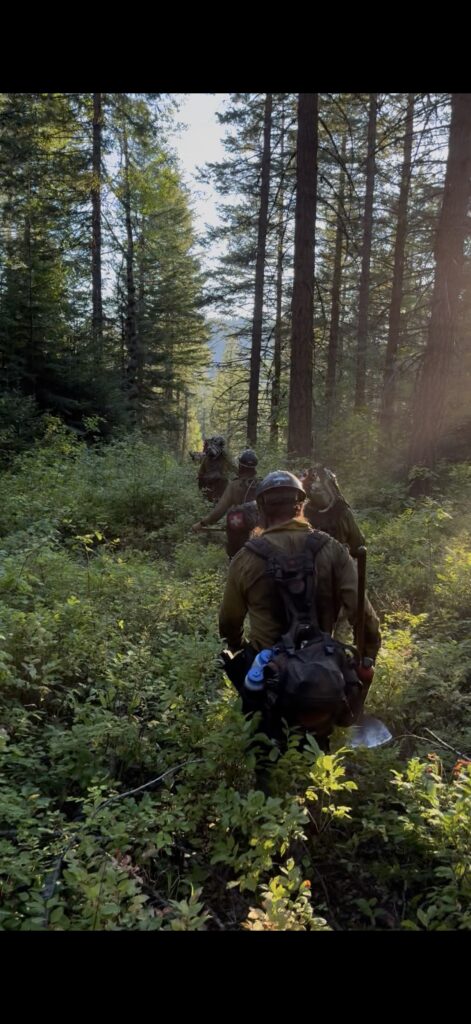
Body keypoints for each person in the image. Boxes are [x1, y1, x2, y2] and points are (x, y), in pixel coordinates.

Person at [218, 470, 380, 756]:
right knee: (318, 755)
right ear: (301, 506)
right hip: (323, 677)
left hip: (268, 676)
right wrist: (367, 658)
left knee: (263, 748)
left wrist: (237, 647)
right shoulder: (333, 550)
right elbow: (365, 619)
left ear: (261, 511)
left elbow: (229, 623)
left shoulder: (245, 559)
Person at [192, 449, 259, 556]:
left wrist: (201, 524)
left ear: (240, 466)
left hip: (239, 533)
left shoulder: (234, 485)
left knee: (235, 557)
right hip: (260, 531)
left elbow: (220, 510)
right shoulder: (263, 483)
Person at [301, 466, 365, 557]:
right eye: (315, 490)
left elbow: (357, 544)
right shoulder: (304, 513)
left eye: (320, 490)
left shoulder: (342, 511)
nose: (318, 493)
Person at [197, 435, 238, 503]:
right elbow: (200, 474)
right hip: (209, 487)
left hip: (221, 489)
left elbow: (235, 468)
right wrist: (201, 489)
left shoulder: (225, 457)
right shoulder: (207, 458)